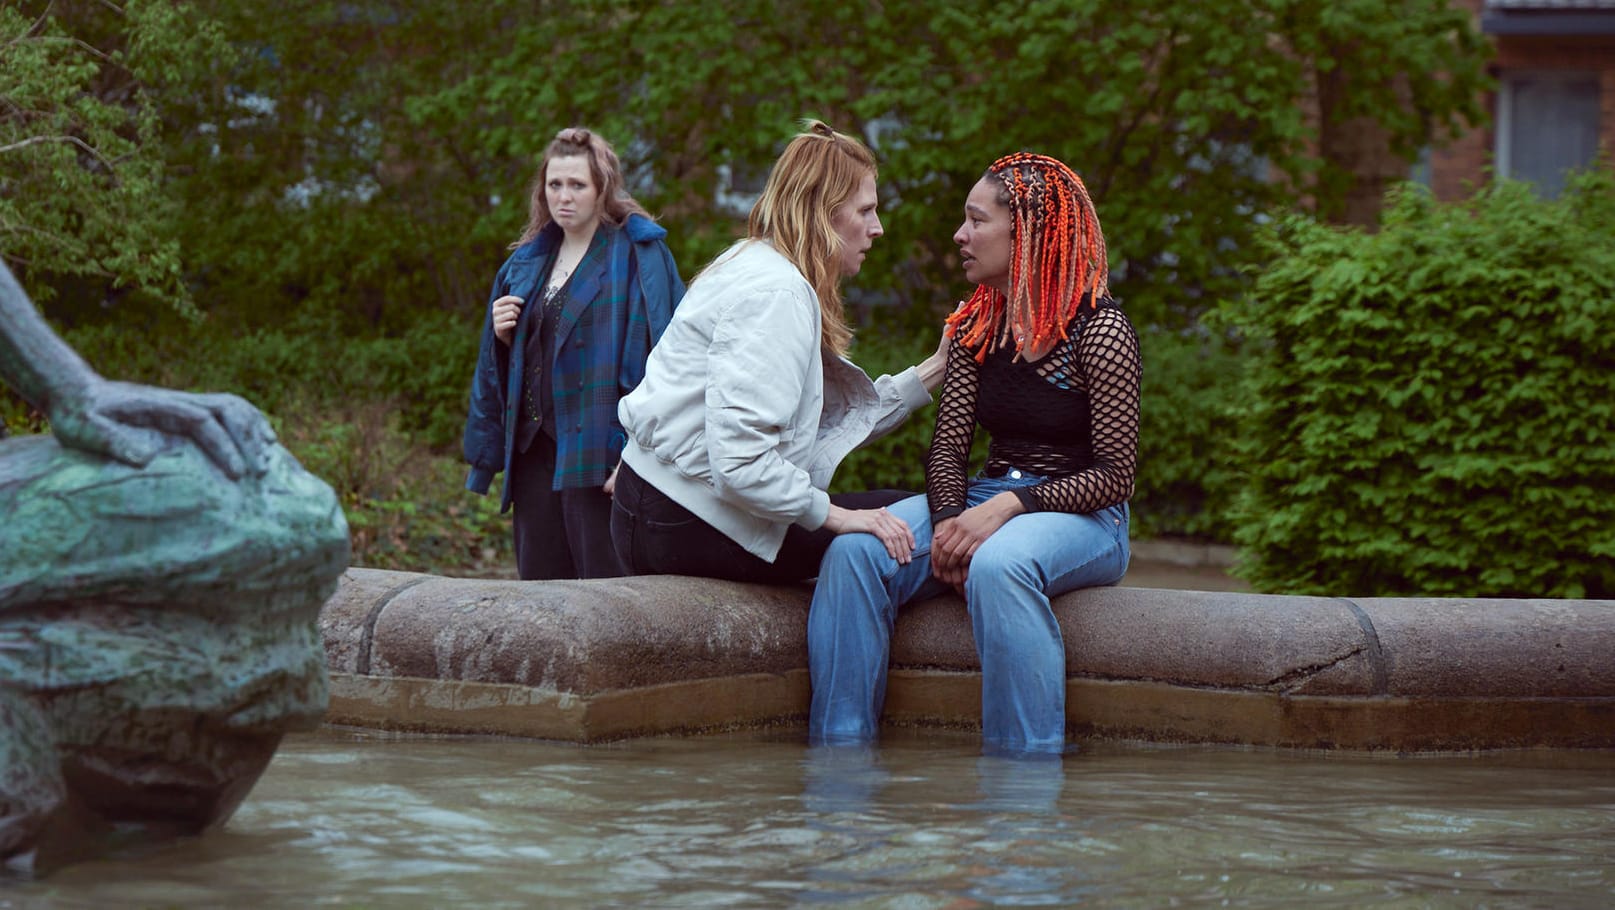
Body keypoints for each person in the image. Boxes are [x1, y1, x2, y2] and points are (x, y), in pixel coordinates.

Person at [806, 152, 1141, 756]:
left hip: (1085, 517)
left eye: (976, 221)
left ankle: (1023, 781)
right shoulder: (976, 327)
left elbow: (1116, 476)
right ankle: (838, 766)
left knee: (999, 564)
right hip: (988, 502)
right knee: (856, 550)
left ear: (1028, 232)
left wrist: (1008, 507)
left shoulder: (1102, 330)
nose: (960, 235)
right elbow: (947, 451)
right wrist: (946, 526)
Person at [610, 121, 948, 584]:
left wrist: (935, 369)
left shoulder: (752, 262)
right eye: (865, 210)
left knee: (903, 510)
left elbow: (820, 429)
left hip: (656, 507)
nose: (878, 228)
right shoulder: (778, 294)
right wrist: (835, 515)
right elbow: (741, 464)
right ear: (824, 213)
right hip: (689, 525)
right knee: (926, 521)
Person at [463, 127, 685, 580]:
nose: (564, 197)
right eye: (555, 185)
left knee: (604, 604)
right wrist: (507, 338)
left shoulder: (639, 256)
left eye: (577, 185)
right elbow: (499, 370)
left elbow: (672, 361)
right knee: (541, 601)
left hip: (600, 454)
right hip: (533, 454)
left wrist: (638, 456)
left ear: (603, 188)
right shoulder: (526, 262)